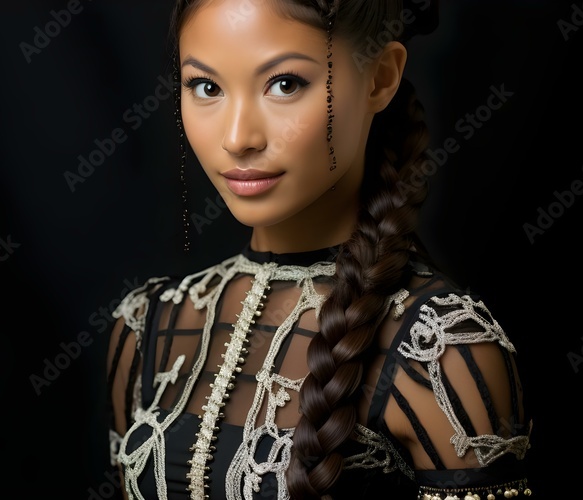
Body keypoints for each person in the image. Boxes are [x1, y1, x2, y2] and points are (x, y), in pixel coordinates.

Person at [104, 0, 533, 498]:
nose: (238, 137)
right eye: (206, 87)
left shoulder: (442, 352)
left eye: (285, 84)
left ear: (380, 78)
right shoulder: (146, 325)